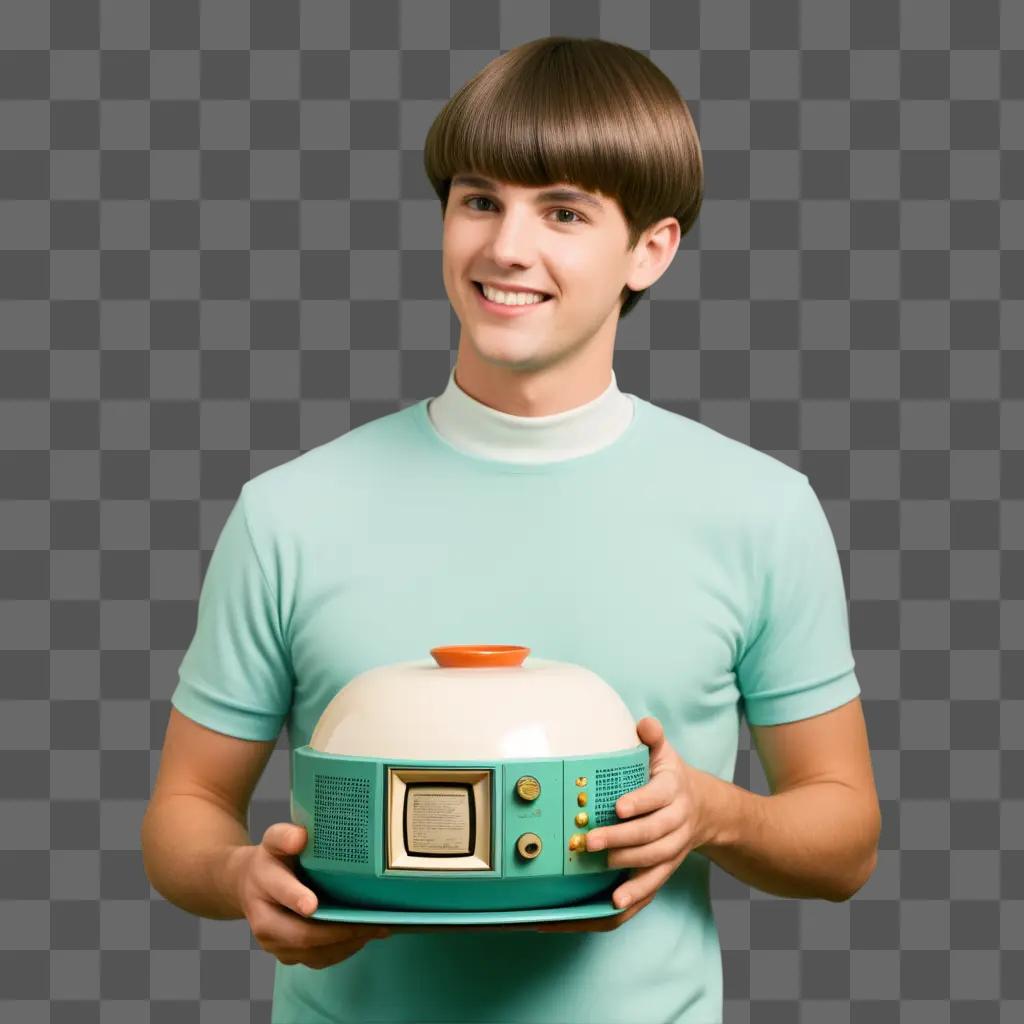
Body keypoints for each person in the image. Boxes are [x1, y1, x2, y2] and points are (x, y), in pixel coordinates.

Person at [141, 36, 880, 1024]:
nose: (504, 248)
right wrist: (240, 877)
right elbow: (181, 814)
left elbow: (844, 840)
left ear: (649, 249)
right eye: (479, 199)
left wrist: (712, 811)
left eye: (563, 211)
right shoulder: (290, 510)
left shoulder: (759, 508)